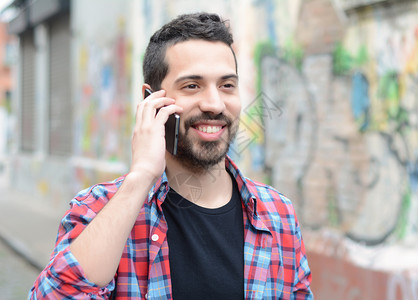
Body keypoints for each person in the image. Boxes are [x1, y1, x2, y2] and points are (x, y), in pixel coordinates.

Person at [29, 12, 313, 299]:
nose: (214, 104)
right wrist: (140, 178)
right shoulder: (98, 209)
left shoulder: (278, 215)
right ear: (151, 100)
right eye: (192, 86)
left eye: (227, 85)